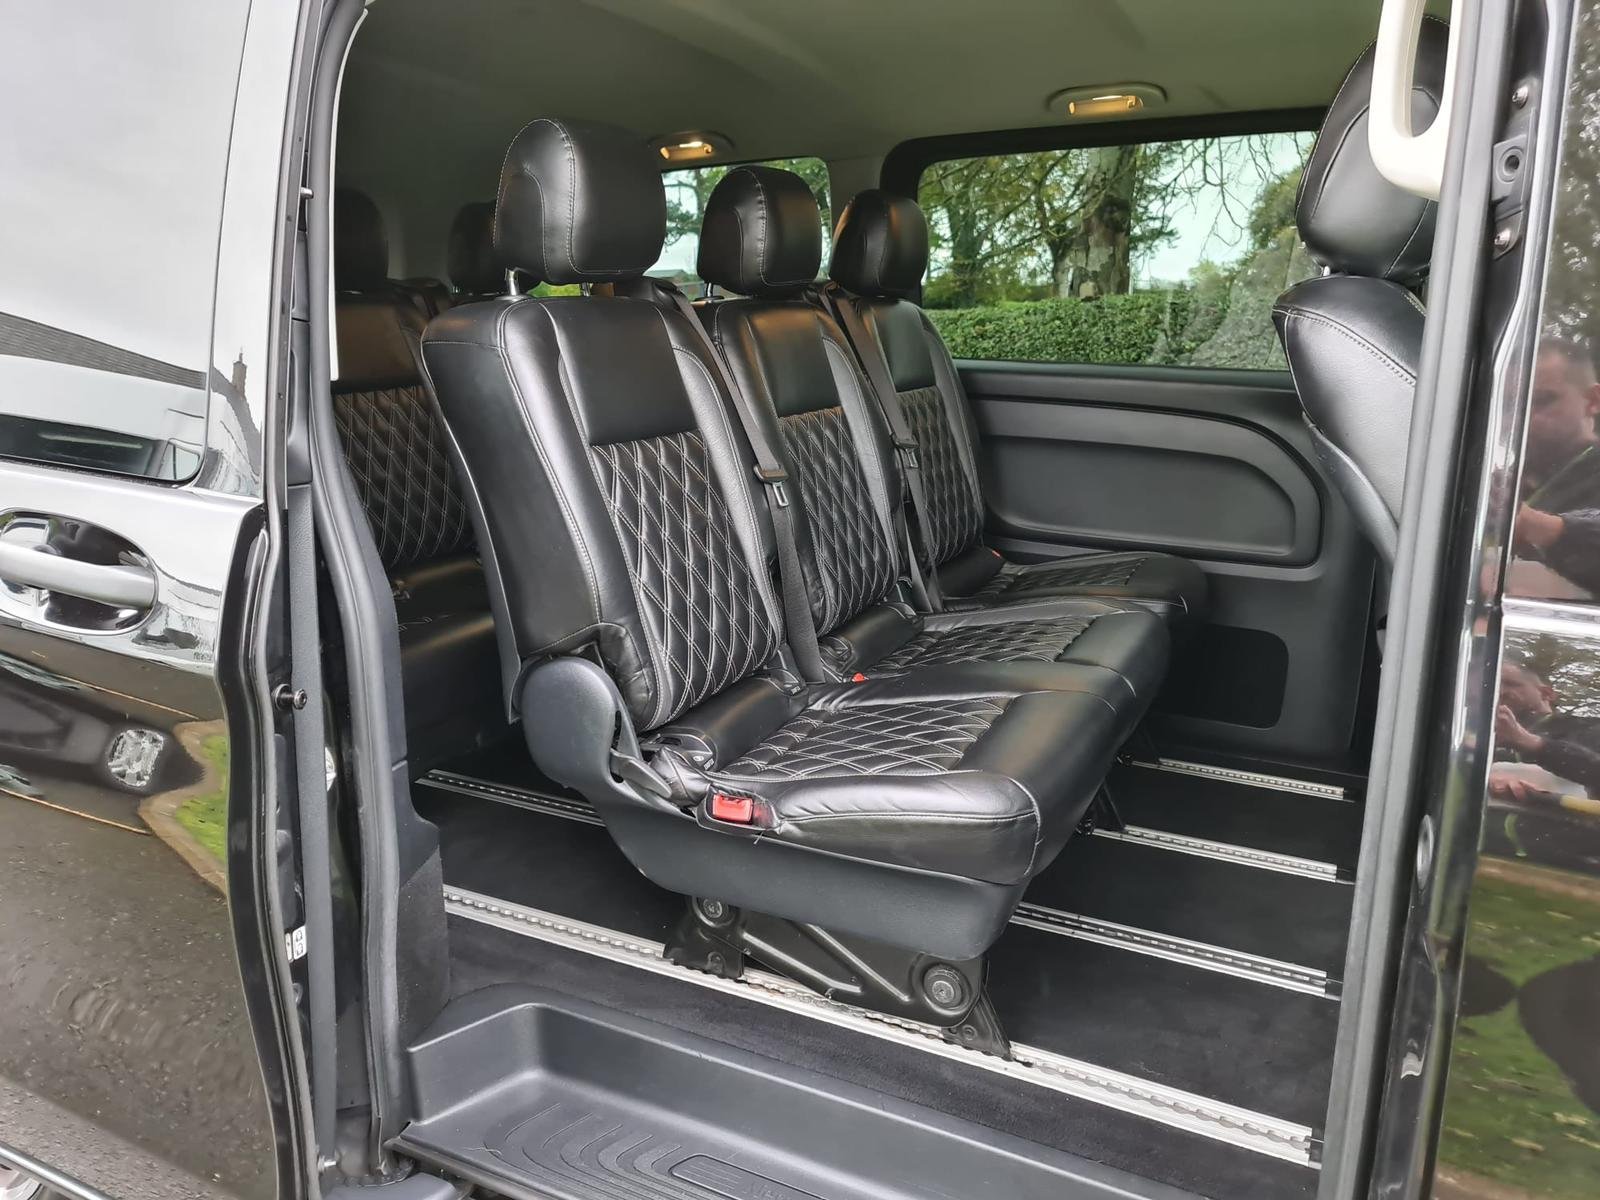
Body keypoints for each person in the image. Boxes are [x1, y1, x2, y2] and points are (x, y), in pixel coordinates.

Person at [1509, 337, 1600, 598]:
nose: (1522, 418)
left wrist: (1536, 526)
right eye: (1512, 405)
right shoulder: (1510, 475)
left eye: (1541, 400)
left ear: (1592, 401)